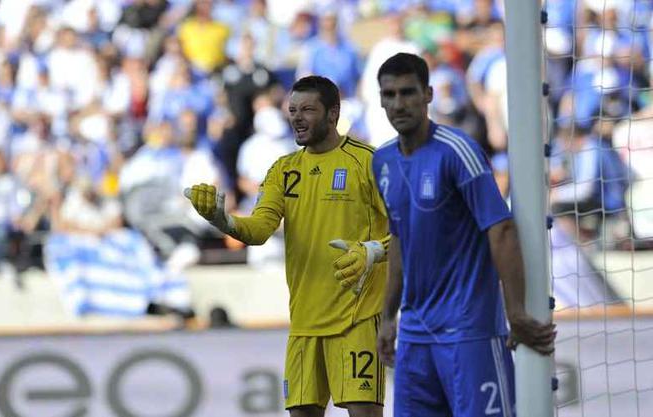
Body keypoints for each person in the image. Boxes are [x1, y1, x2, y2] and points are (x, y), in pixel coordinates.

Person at [187, 76, 390, 417]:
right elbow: (259, 230)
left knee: (364, 413)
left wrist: (372, 251)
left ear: (333, 114)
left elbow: (407, 229)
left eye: (308, 109)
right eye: (293, 110)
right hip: (304, 323)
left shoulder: (368, 163)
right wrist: (222, 220)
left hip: (357, 317)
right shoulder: (284, 170)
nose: (297, 117)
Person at [372, 53, 556, 417]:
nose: (399, 103)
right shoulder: (382, 162)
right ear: (379, 100)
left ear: (428, 95)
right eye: (389, 95)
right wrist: (388, 315)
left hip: (469, 332)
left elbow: (501, 229)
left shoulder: (457, 151)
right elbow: (398, 239)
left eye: (408, 92)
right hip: (415, 334)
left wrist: (514, 311)